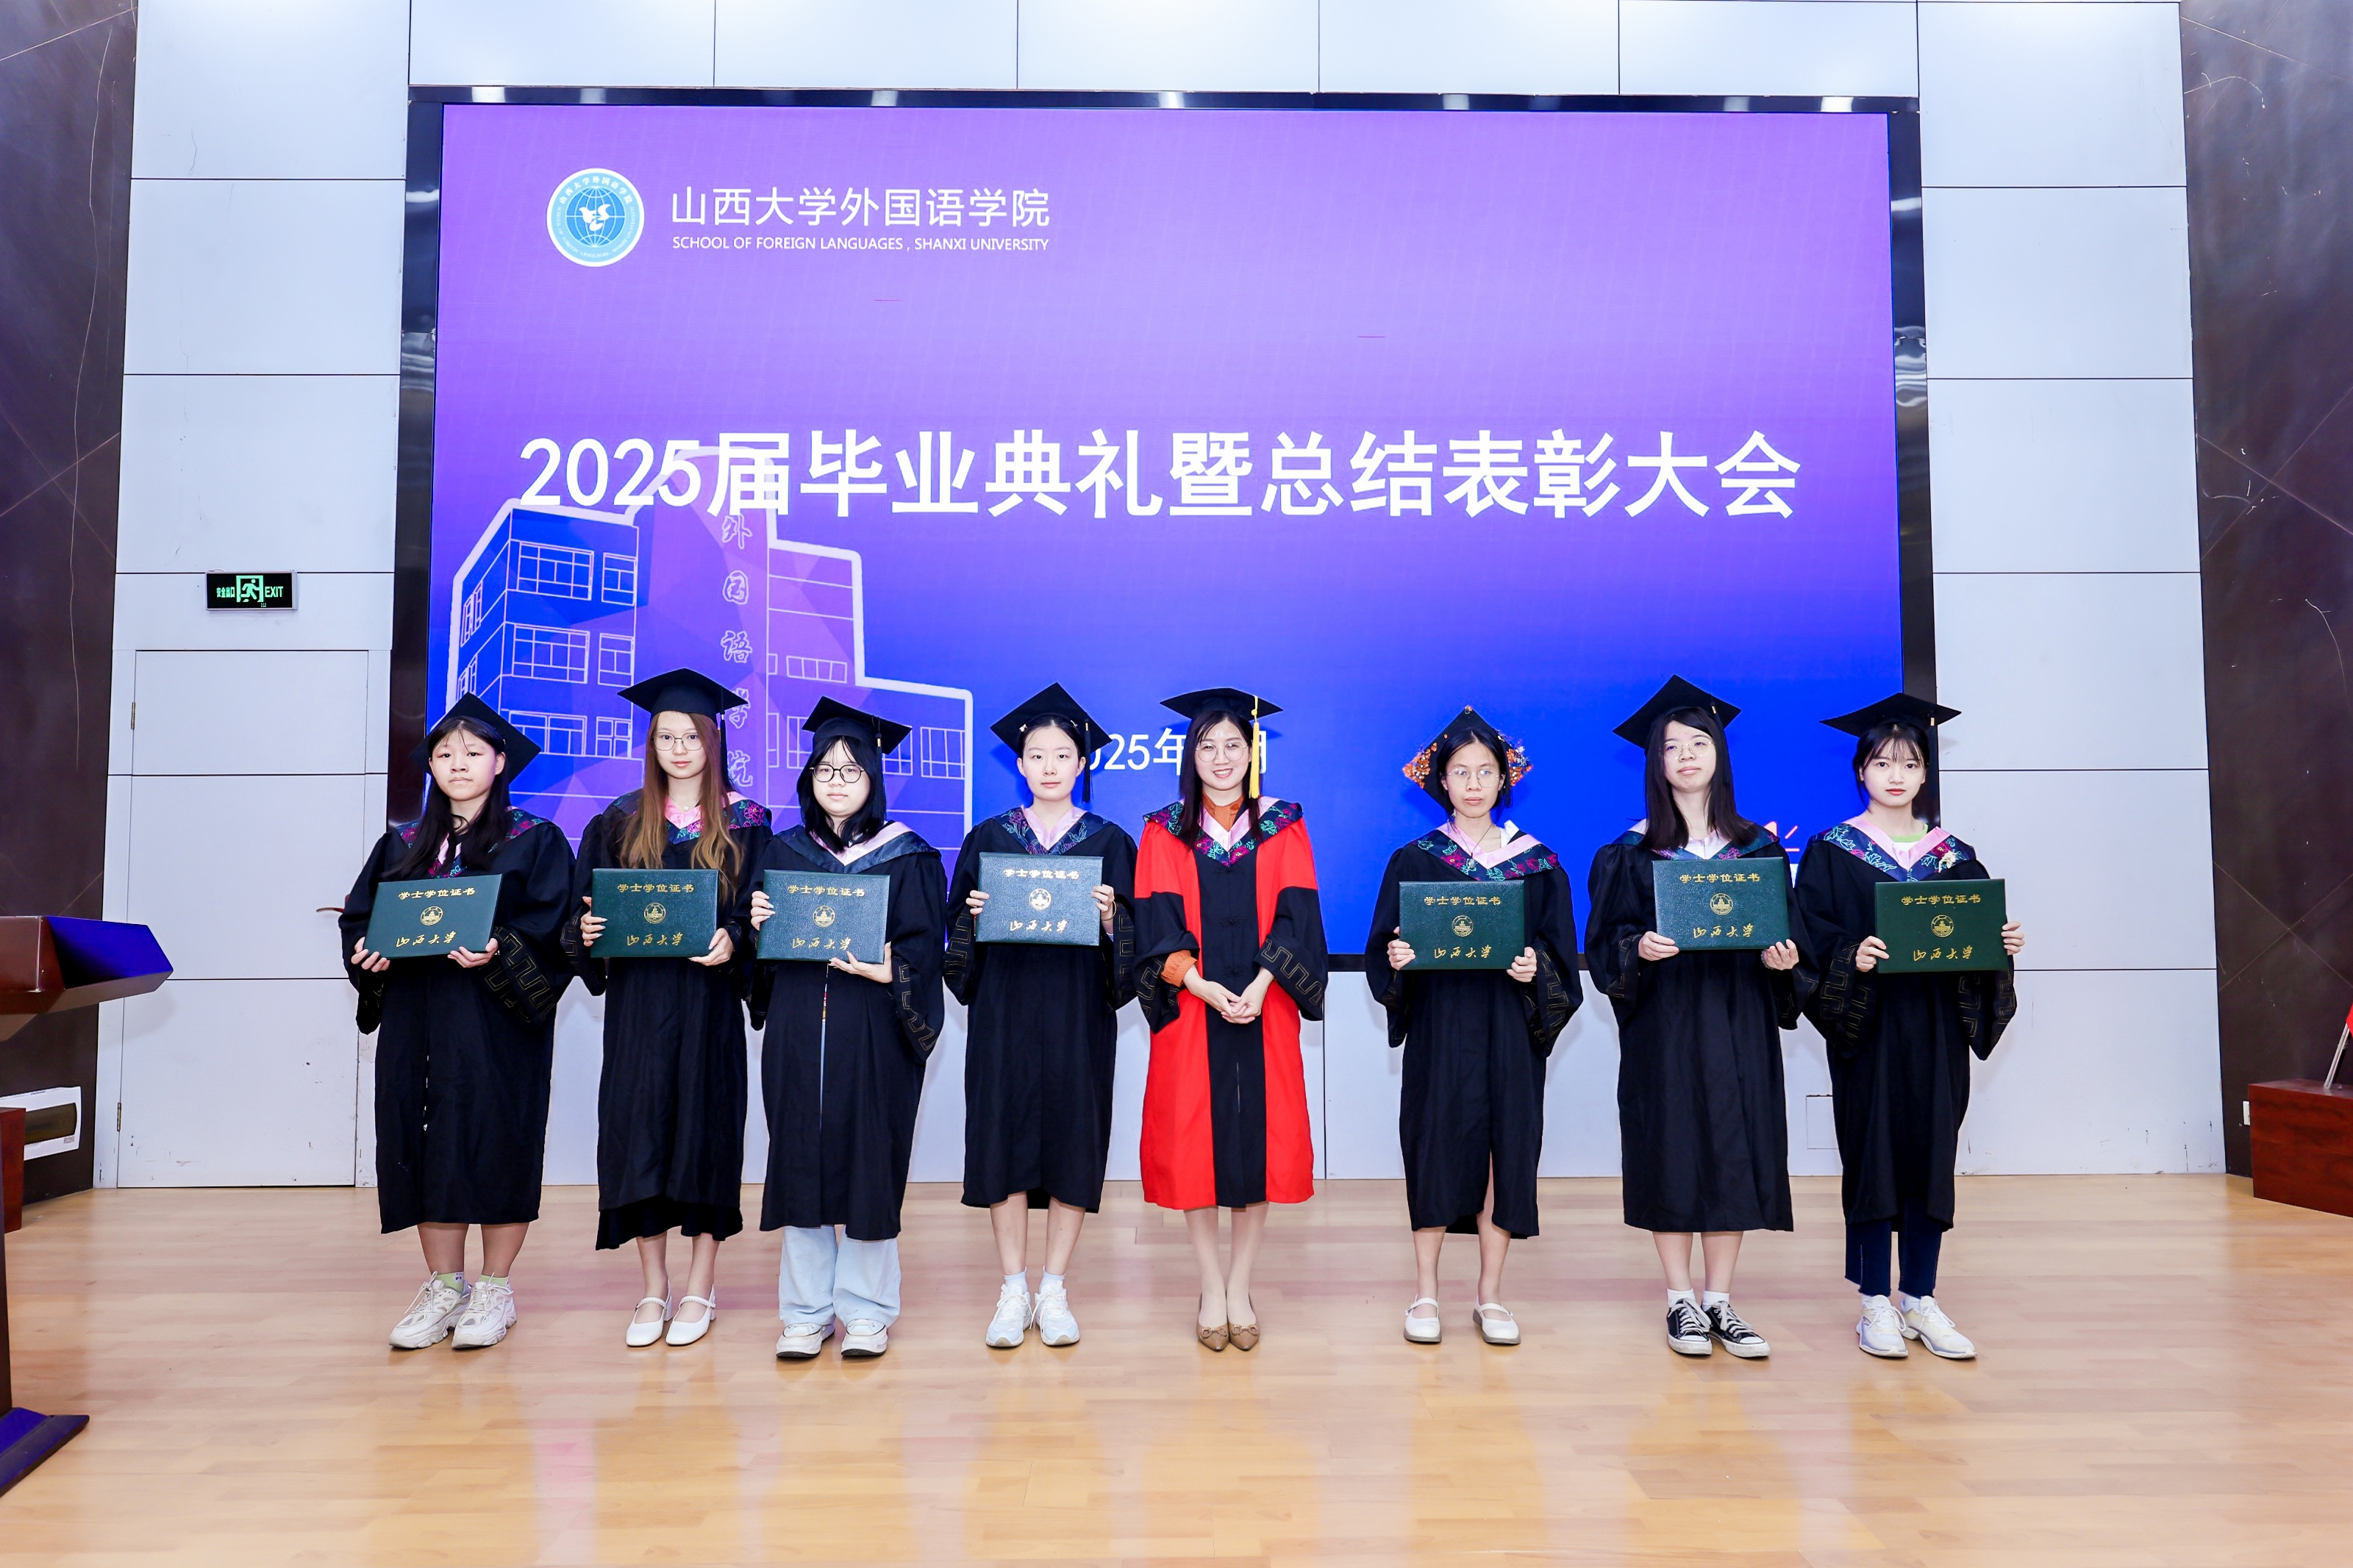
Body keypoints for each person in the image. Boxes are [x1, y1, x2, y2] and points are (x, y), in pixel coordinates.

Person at [1793, 692, 2026, 1361]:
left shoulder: (1954, 855)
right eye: (1882, 762)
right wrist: (1853, 955)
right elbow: (1810, 940)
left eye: (1909, 763)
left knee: (1931, 1154)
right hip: (1868, 1029)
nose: (1895, 775)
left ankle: (1920, 1297)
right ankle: (1874, 1301)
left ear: (1926, 773)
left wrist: (2000, 945)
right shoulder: (1831, 851)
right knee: (1872, 1156)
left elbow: (1973, 938)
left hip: (1936, 1028)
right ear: (1860, 770)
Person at [340, 695, 575, 1351]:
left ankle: (495, 1287)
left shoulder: (536, 840)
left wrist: (501, 947)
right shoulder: (402, 843)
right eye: (445, 754)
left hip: (496, 1023)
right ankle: (445, 1285)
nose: (458, 763)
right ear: (432, 767)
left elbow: (555, 928)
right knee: (426, 1143)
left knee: (499, 1139)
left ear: (500, 762)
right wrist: (368, 952)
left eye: (473, 752)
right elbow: (360, 916)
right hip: (416, 1020)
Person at [1585, 678, 1801, 1361]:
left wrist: (1783, 959)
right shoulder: (1630, 852)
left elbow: (1790, 940)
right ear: (1656, 761)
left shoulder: (1758, 850)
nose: (1685, 756)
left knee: (1735, 1146)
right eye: (1671, 747)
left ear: (1719, 755)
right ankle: (1680, 1298)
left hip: (1739, 1020)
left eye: (1698, 743)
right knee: (1671, 1148)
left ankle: (1721, 1300)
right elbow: (1605, 942)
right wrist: (1638, 948)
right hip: (1666, 1024)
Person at [565, 670, 771, 1348]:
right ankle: (653, 1285)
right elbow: (583, 912)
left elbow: (761, 913)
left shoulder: (748, 821)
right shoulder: (618, 820)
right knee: (640, 1134)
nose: (679, 749)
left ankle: (701, 1285)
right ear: (650, 744)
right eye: (665, 737)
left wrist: (735, 938)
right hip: (638, 1005)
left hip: (708, 1005)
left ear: (714, 742)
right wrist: (587, 931)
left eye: (691, 737)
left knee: (706, 1133)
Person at [1366, 707, 1582, 1347]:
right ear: (1441, 781)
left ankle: (1490, 1295)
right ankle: (1425, 1291)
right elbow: (1383, 947)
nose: (1473, 783)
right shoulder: (1414, 859)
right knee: (1433, 1146)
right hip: (1440, 1025)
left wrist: (1535, 968)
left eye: (1486, 771)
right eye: (1460, 772)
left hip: (1509, 1030)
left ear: (1503, 778)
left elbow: (1560, 955)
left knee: (1504, 1152)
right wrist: (1396, 958)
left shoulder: (1537, 863)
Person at [747, 698, 946, 1361]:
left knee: (869, 1161)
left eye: (851, 769)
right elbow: (757, 951)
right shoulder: (783, 850)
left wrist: (894, 970)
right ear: (809, 777)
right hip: (800, 1027)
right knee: (798, 1159)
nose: (837, 780)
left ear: (873, 777)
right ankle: (805, 1312)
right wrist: (756, 924)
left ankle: (865, 1310)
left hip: (874, 1031)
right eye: (824, 768)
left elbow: (926, 949)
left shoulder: (909, 854)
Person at [1133, 687, 1327, 1351]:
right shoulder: (1164, 830)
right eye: (1207, 746)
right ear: (1189, 755)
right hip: (1193, 1007)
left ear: (1252, 752)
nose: (1221, 757)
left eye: (1234, 745)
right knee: (1195, 1146)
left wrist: (1266, 980)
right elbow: (1156, 924)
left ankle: (1241, 1285)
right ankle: (1210, 1285)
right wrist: (1201, 985)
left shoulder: (1284, 824)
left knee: (1259, 1145)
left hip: (1266, 1007)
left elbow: (1299, 915)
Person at [946, 684, 1137, 1350]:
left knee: (1071, 1139)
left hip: (1078, 1017)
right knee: (1003, 1137)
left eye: (1062, 754)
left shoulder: (1110, 841)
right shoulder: (989, 838)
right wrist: (971, 921)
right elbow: (955, 937)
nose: (1049, 765)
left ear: (1082, 763)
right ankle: (1012, 1287)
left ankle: (1053, 1286)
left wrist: (1112, 920)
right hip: (1004, 1013)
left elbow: (1133, 941)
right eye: (1036, 755)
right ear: (1020, 763)